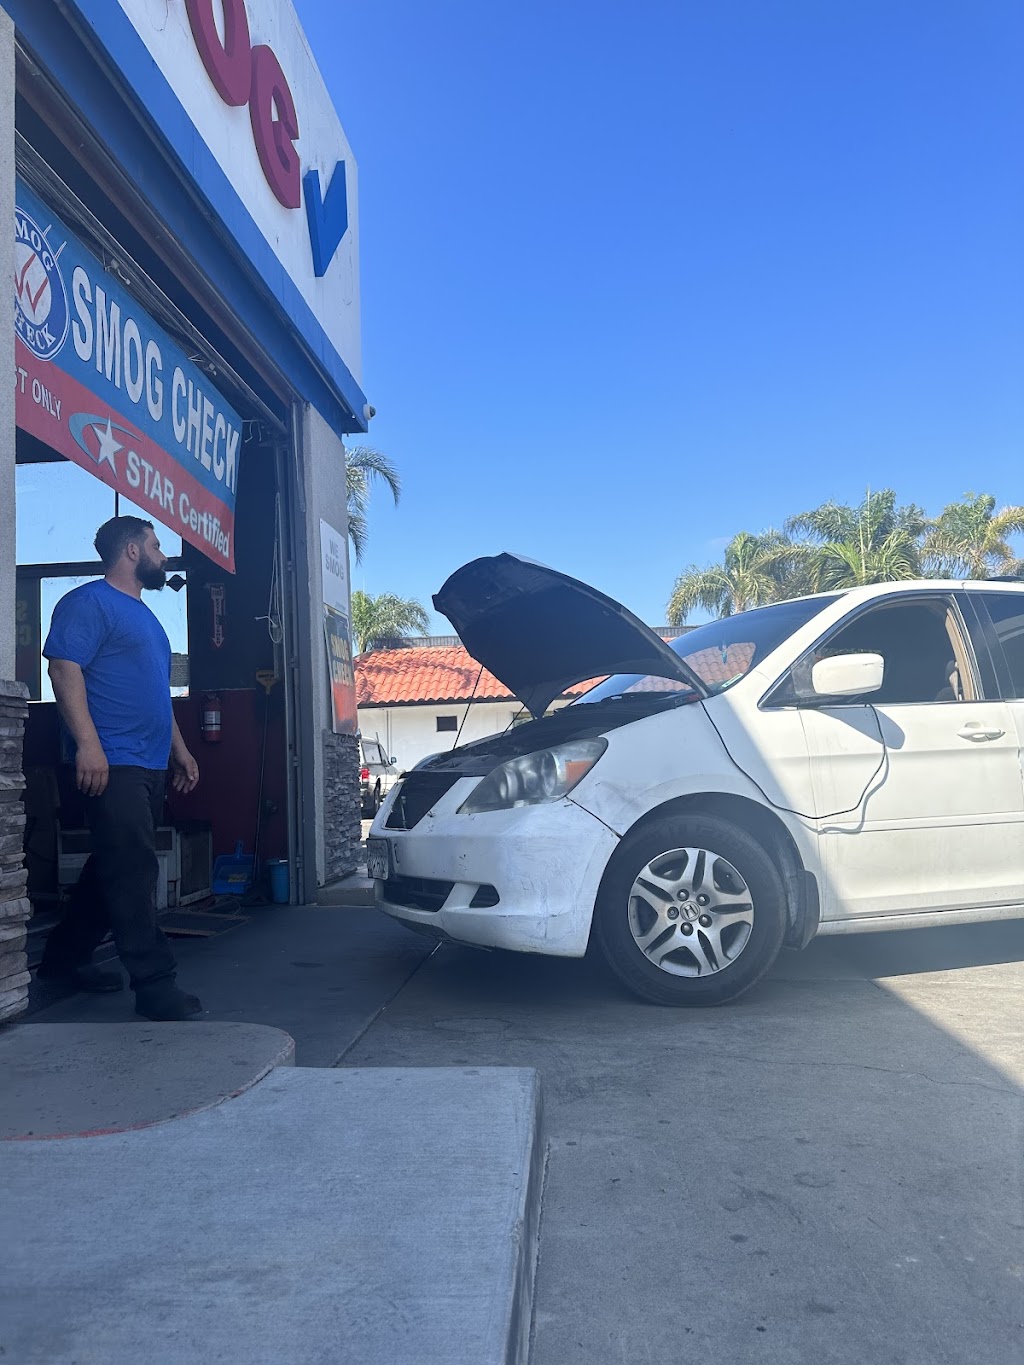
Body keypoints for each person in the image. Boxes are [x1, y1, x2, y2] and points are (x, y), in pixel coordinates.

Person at [38, 516, 203, 1021]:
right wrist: (89, 746)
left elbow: (158, 694)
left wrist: (181, 750)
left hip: (149, 763)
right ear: (131, 551)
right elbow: (63, 670)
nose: (163, 555)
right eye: (156, 546)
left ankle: (62, 963)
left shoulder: (148, 620)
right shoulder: (87, 603)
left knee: (109, 868)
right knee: (133, 869)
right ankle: (155, 984)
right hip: (112, 763)